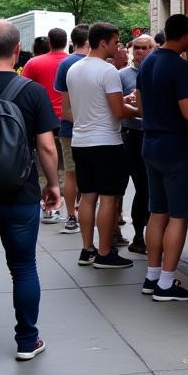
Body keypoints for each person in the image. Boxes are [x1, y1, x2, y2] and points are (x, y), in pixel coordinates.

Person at [0, 20, 61, 375]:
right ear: (17, 52)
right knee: (24, 268)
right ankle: (27, 340)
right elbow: (45, 146)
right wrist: (53, 185)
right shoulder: (32, 92)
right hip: (21, 193)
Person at [137, 14, 188, 302]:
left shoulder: (148, 61)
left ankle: (152, 276)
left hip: (150, 144)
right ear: (187, 36)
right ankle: (166, 283)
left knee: (158, 212)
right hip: (177, 148)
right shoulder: (181, 67)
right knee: (179, 216)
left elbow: (140, 106)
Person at [65, 22, 137, 270]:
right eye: (116, 42)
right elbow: (118, 111)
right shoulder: (108, 72)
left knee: (87, 197)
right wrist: (139, 108)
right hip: (107, 143)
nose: (118, 47)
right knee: (108, 199)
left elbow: (89, 102)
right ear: (103, 42)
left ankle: (87, 250)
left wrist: (122, 101)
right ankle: (106, 254)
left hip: (81, 141)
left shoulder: (74, 69)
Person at [22, 27, 70, 225]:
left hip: (43, 122)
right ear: (66, 41)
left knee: (44, 165)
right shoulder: (73, 62)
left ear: (49, 41)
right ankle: (72, 213)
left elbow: (22, 87)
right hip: (68, 120)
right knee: (68, 167)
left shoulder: (34, 63)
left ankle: (50, 208)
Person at [120, 35, 155, 255]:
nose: (141, 51)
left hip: (150, 135)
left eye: (146, 48)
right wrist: (128, 100)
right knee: (133, 187)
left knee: (148, 189)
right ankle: (135, 234)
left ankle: (146, 235)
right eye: (138, 48)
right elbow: (114, 103)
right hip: (129, 134)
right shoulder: (122, 75)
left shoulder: (156, 72)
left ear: (154, 49)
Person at [54, 24, 90, 233]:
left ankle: (71, 217)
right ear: (88, 41)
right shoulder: (97, 63)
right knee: (89, 176)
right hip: (92, 130)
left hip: (69, 127)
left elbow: (63, 105)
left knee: (70, 173)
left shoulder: (66, 63)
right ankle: (87, 214)